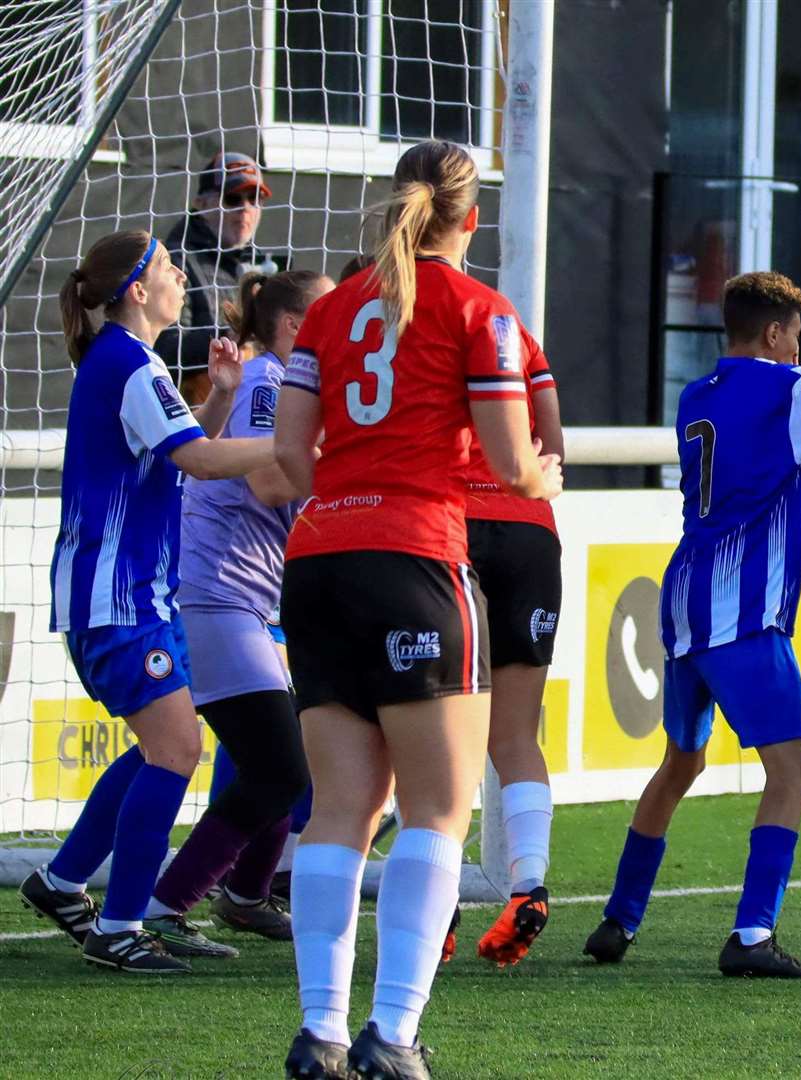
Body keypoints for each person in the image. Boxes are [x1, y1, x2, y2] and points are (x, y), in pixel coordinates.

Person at [272, 140, 561, 1079]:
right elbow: (513, 461)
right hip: (416, 555)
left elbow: (290, 458)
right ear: (470, 217)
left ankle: (320, 1032)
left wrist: (352, 490)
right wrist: (539, 473)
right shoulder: (483, 310)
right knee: (437, 809)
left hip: (316, 558)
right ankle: (392, 1035)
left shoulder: (327, 309)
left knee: (340, 810)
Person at [584, 271, 801, 979]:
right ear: (775, 333)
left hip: (683, 600)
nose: (798, 343)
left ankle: (618, 918)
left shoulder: (695, 394)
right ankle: (750, 936)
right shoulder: (784, 384)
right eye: (794, 331)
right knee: (792, 772)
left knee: (680, 763)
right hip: (741, 611)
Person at [16, 230, 276, 973]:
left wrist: (223, 396)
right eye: (166, 268)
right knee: (177, 749)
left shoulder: (133, 363)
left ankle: (64, 882)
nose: (178, 279)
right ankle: (119, 927)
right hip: (117, 597)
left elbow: (189, 447)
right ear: (137, 289)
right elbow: (197, 459)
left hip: (131, 595)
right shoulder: (130, 364)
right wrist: (292, 447)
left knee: (164, 745)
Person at [138, 270, 330, 958]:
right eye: (326, 313)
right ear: (294, 327)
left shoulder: (284, 386)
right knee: (277, 768)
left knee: (285, 758)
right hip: (215, 593)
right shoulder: (267, 383)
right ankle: (162, 906)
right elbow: (267, 476)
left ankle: (245, 896)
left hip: (247, 597)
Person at [467, 295, 564, 968]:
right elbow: (553, 452)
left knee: (434, 731)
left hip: (447, 532)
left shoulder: (408, 327)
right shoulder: (517, 335)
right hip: (530, 533)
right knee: (515, 734)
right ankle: (527, 883)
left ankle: (433, 907)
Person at [155, 151, 288, 405]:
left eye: (254, 199)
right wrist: (231, 333)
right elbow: (163, 350)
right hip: (193, 413)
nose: (246, 209)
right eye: (232, 199)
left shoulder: (255, 265)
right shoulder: (175, 262)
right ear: (201, 204)